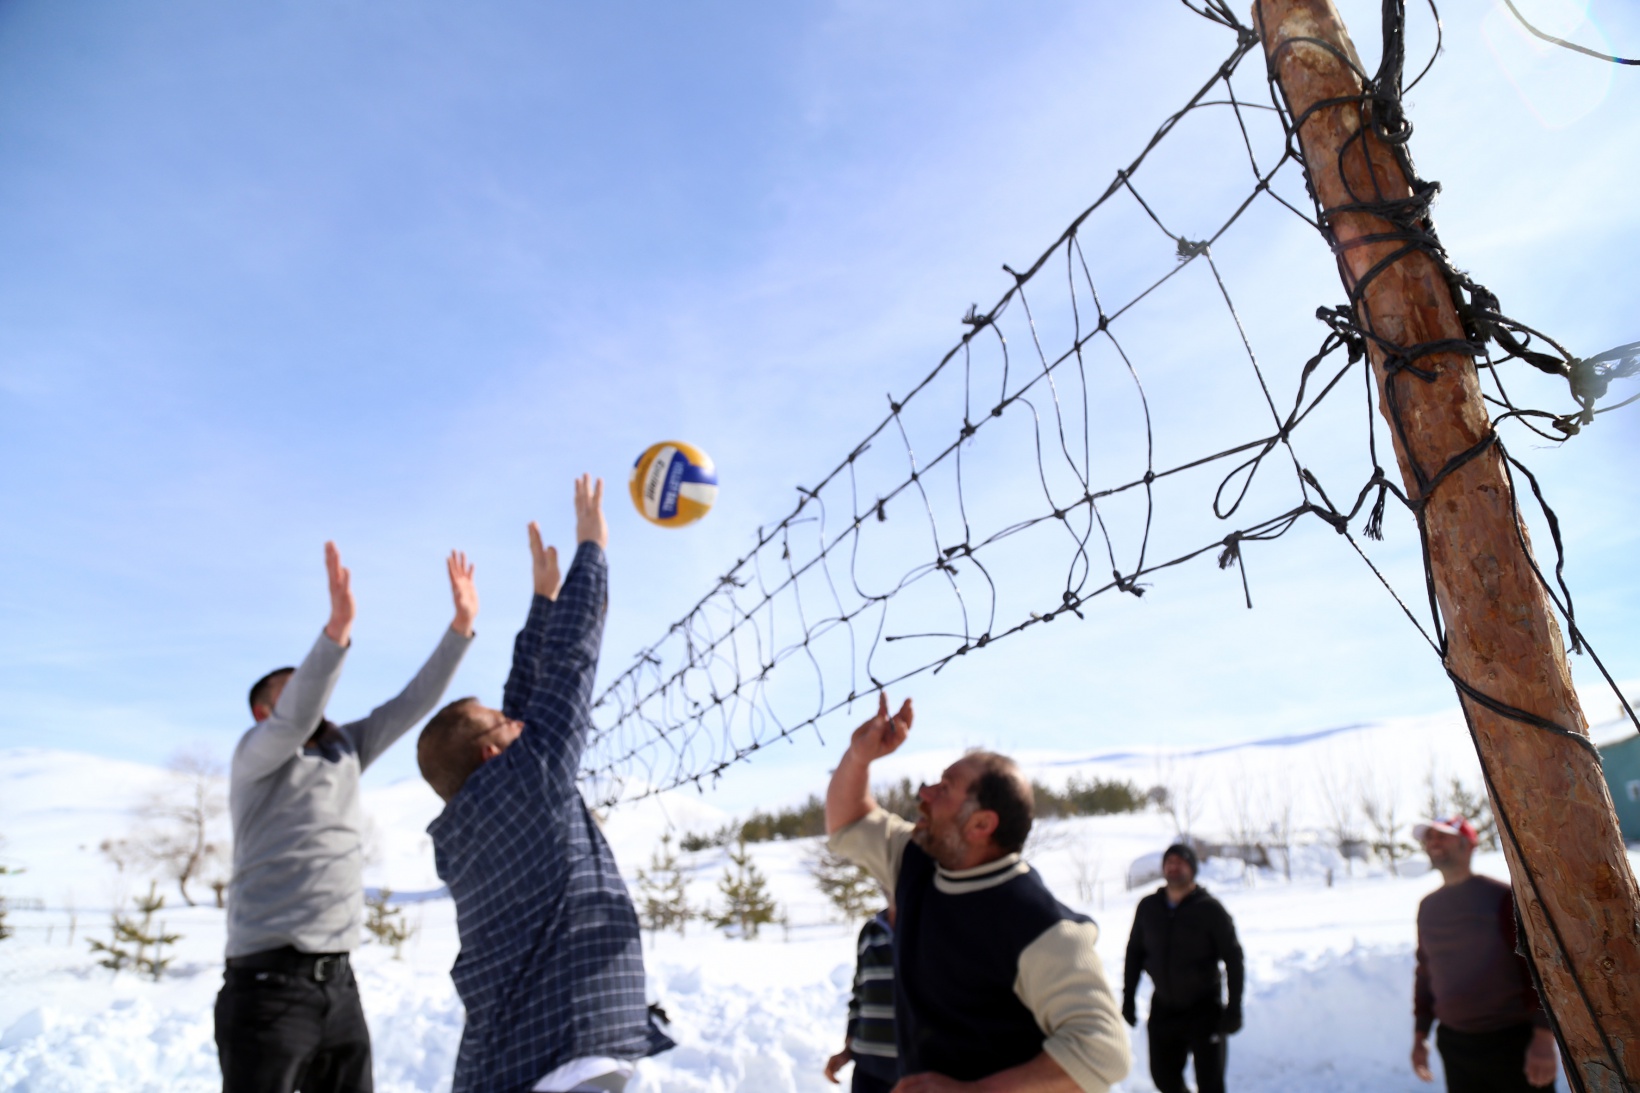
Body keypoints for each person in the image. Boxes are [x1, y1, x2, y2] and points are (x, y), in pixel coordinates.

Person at [416, 476, 673, 1093]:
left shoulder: (476, 821)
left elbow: (523, 701)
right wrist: (593, 551)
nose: (522, 724)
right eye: (509, 728)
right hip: (566, 1067)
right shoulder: (524, 786)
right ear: (491, 753)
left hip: (520, 1066)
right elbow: (570, 667)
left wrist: (541, 600)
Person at [217, 542, 478, 1093]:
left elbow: (409, 704)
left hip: (339, 983)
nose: (313, 697)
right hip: (267, 984)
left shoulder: (345, 749)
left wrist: (460, 628)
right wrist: (335, 634)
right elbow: (295, 718)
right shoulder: (256, 756)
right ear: (265, 711)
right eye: (291, 690)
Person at [823, 692, 1131, 1093]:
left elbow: (1103, 1050)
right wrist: (858, 758)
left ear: (981, 824)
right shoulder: (915, 861)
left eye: (945, 789)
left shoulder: (1041, 927)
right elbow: (850, 822)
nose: (925, 793)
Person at [1412, 815, 1557, 1092]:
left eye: (1442, 835)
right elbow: (1425, 972)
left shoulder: (1502, 897)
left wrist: (1543, 1037)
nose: (1433, 841)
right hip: (1455, 1045)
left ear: (1468, 845)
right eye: (1429, 837)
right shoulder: (1428, 907)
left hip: (1513, 1042)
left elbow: (1539, 968)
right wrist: (1420, 1035)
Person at [1120, 843, 1244, 1093]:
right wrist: (1129, 998)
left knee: (1211, 1085)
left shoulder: (1210, 910)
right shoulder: (1148, 907)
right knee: (1164, 1078)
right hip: (1164, 1008)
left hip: (1204, 1010)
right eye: (1169, 862)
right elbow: (1134, 952)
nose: (1173, 867)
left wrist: (1233, 1008)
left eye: (1180, 862)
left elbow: (1233, 958)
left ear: (1193, 869)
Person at [824, 903, 899, 1093]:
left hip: (922, 1075)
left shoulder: (934, 927)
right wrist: (849, 1049)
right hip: (867, 1073)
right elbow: (859, 996)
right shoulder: (871, 930)